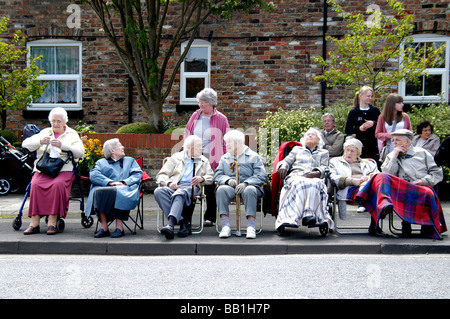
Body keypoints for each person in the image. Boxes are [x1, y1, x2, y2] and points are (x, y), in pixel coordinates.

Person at [356, 129, 446, 239]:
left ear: (407, 142)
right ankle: (384, 204)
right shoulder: (391, 155)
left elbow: (437, 173)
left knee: (428, 192)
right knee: (380, 177)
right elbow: (386, 175)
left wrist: (423, 181)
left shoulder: (422, 153)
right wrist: (394, 156)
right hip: (398, 191)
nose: (394, 143)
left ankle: (386, 207)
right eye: (393, 140)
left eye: (397, 140)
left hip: (420, 187)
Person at [22, 107, 84, 235]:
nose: (55, 124)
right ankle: (34, 222)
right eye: (53, 121)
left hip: (63, 168)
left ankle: (52, 221)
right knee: (36, 184)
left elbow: (80, 152)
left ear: (64, 122)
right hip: (44, 167)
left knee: (57, 185)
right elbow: (25, 144)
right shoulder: (45, 132)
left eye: (58, 121)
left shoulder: (72, 134)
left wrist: (62, 146)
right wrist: (40, 141)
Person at [184, 87, 230, 226]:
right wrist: (186, 151)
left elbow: (226, 139)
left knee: (210, 185)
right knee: (191, 184)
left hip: (213, 156)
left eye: (202, 102)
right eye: (199, 102)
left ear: (211, 103)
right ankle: (186, 217)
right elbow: (187, 133)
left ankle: (209, 217)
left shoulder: (221, 118)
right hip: (195, 155)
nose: (200, 105)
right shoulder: (195, 115)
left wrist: (223, 157)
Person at [275, 128, 333, 235]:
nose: (310, 136)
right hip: (297, 176)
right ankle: (291, 217)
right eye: (308, 134)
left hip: (314, 177)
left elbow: (325, 168)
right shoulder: (297, 150)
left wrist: (316, 173)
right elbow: (286, 161)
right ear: (304, 139)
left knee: (314, 183)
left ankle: (308, 214)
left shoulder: (323, 153)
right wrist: (283, 166)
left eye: (313, 135)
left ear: (318, 140)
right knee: (300, 182)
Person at [155, 135, 214, 239]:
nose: (202, 148)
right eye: (199, 146)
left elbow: (211, 177)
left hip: (192, 187)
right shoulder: (176, 157)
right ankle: (183, 222)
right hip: (175, 185)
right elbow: (161, 175)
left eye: (202, 146)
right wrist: (169, 184)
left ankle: (171, 224)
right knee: (158, 191)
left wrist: (202, 179)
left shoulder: (204, 160)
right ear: (189, 147)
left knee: (180, 193)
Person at [214, 130, 267, 239]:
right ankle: (225, 226)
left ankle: (251, 226)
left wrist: (246, 183)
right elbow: (218, 175)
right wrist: (228, 180)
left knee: (249, 190)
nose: (226, 145)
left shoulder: (253, 156)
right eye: (225, 142)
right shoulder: (225, 158)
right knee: (221, 189)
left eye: (229, 142)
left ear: (238, 142)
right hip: (231, 187)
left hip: (249, 187)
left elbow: (261, 176)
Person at [86, 138, 143, 238]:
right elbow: (93, 175)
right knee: (98, 191)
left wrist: (124, 182)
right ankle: (104, 227)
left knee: (119, 191)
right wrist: (110, 183)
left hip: (125, 188)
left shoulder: (130, 161)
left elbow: (138, 174)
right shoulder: (101, 162)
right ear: (112, 151)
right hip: (106, 189)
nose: (123, 147)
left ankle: (119, 227)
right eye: (120, 145)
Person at [329, 139, 380, 229]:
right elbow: (333, 178)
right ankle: (382, 207)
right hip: (348, 189)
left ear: (358, 153)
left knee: (375, 189)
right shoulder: (336, 162)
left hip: (366, 187)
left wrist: (369, 177)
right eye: (347, 150)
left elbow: (378, 175)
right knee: (374, 195)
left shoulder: (368, 164)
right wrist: (352, 181)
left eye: (352, 151)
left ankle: (374, 225)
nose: (348, 153)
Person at [345, 86, 380, 162]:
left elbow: (381, 126)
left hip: (373, 145)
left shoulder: (375, 111)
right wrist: (359, 128)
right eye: (368, 96)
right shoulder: (353, 112)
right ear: (361, 96)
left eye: (371, 96)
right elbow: (347, 130)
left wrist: (373, 123)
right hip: (360, 145)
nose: (370, 98)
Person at [375, 93, 412, 160]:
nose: (402, 105)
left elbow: (410, 132)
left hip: (403, 147)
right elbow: (377, 134)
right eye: (399, 103)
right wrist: (390, 135)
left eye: (402, 103)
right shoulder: (382, 117)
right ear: (392, 104)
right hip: (390, 147)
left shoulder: (405, 117)